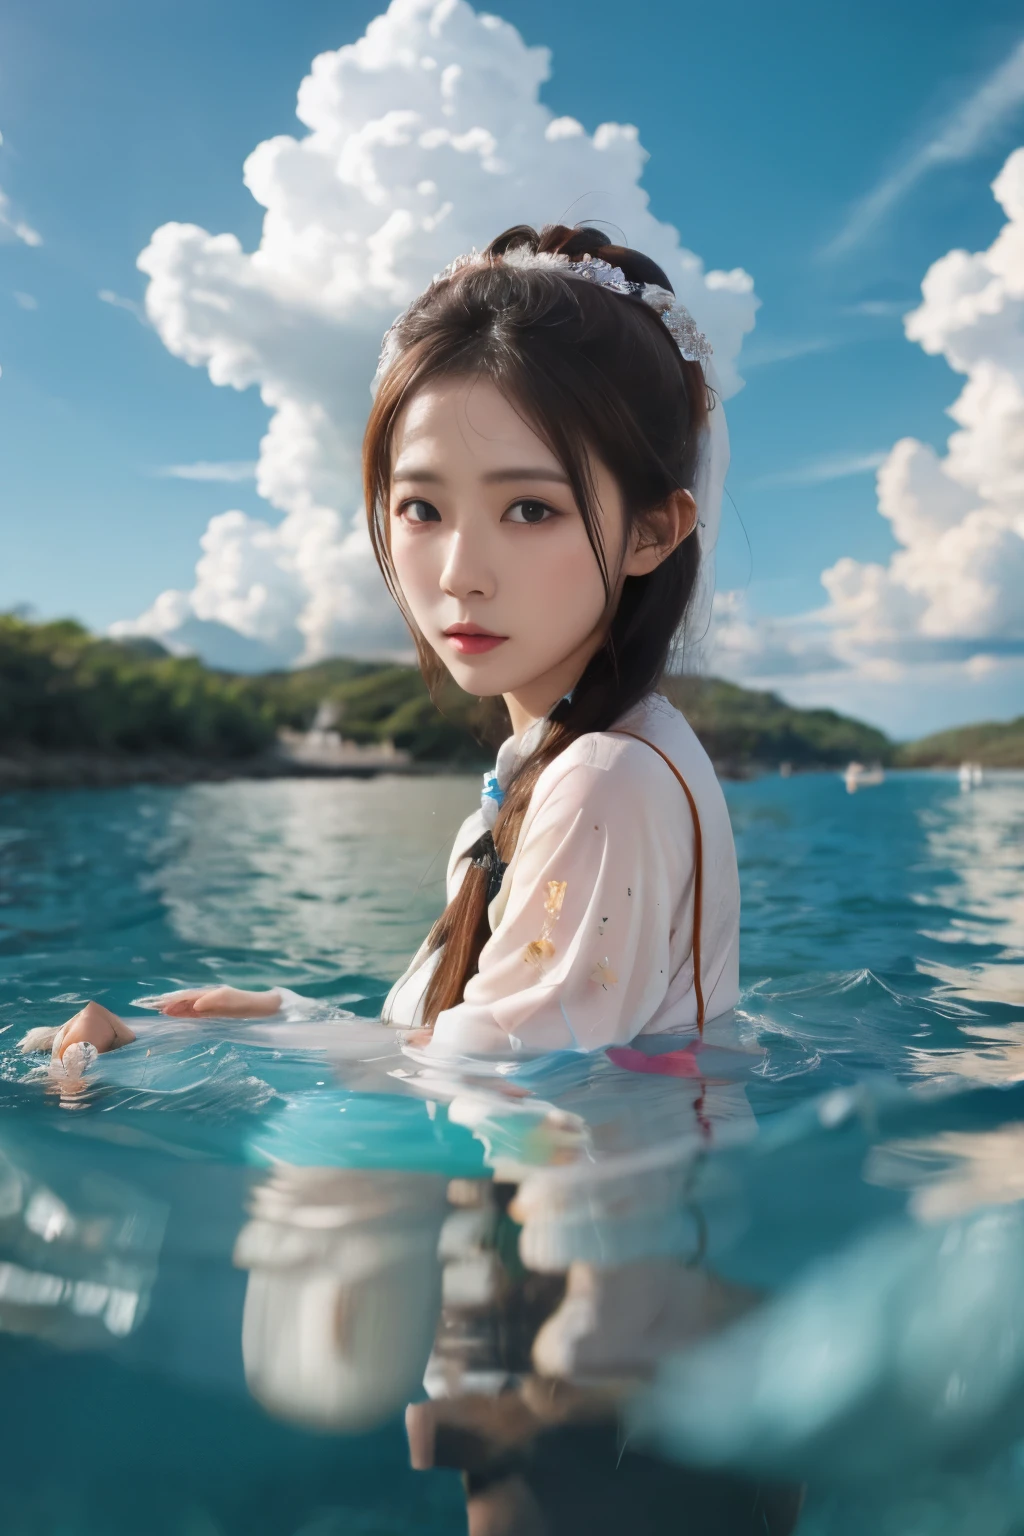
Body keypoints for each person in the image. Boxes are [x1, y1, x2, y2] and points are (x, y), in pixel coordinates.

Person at [23, 223, 739, 1066]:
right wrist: (292, 1019)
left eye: (530, 510)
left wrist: (166, 1052)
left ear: (653, 531)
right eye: (422, 509)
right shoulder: (587, 759)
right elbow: (492, 1045)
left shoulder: (602, 782)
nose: (461, 575)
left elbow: (499, 1085)